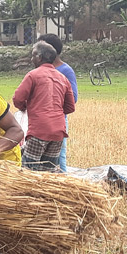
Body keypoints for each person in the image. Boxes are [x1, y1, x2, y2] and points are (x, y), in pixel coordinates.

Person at [12, 41, 75, 172]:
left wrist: (26, 107)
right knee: (49, 172)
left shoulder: (33, 75)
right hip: (58, 132)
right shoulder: (63, 78)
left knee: (29, 170)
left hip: (39, 131)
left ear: (40, 58)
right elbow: (70, 107)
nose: (31, 59)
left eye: (33, 55)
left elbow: (17, 99)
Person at [37, 33, 78, 172]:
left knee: (59, 159)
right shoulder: (39, 71)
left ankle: (63, 188)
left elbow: (73, 98)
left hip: (57, 122)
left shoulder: (66, 71)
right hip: (39, 123)